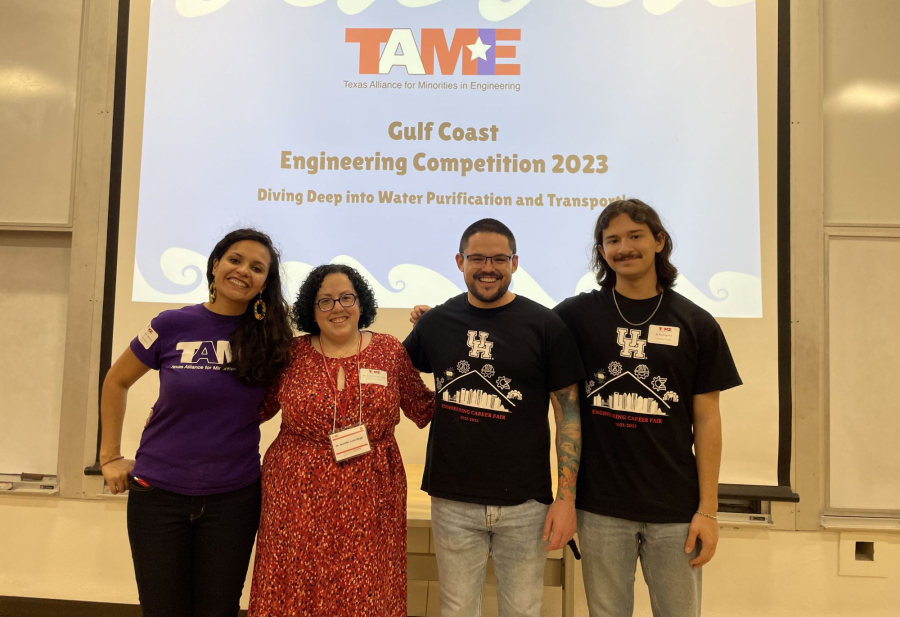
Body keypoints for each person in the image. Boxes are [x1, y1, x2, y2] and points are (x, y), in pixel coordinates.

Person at [553, 199, 743, 617]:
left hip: (675, 509)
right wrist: (439, 319)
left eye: (635, 236)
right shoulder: (577, 316)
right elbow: (515, 330)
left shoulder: (696, 323)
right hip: (600, 507)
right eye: (612, 240)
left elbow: (708, 421)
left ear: (659, 241)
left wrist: (707, 511)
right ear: (601, 252)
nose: (624, 248)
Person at [99, 228, 294, 617]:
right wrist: (109, 456)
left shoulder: (273, 339)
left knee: (218, 610)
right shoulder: (171, 324)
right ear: (215, 265)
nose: (243, 271)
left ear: (264, 286)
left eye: (257, 268)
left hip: (233, 500)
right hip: (158, 497)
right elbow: (116, 380)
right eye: (235, 259)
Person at [402, 218, 584, 617]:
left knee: (522, 610)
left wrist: (565, 498)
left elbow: (568, 414)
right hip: (452, 499)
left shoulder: (546, 325)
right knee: (456, 609)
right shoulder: (437, 322)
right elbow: (396, 375)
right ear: (459, 261)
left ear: (515, 263)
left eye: (499, 258)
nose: (488, 267)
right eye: (478, 258)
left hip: (526, 504)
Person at [248, 264, 434, 617]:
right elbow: (251, 409)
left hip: (372, 495)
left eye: (346, 297)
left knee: (366, 588)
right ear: (311, 311)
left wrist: (447, 344)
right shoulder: (291, 354)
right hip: (295, 495)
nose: (338, 308)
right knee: (294, 585)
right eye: (325, 301)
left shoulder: (390, 351)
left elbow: (425, 408)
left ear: (361, 304)